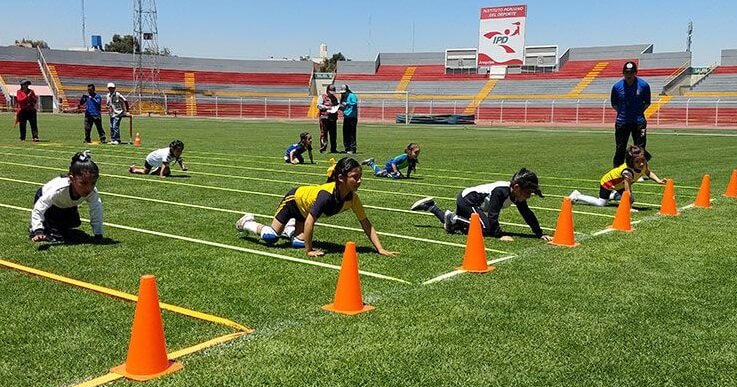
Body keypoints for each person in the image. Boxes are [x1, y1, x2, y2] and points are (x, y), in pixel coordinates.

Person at [235, 157, 398, 257]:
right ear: (341, 178)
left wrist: (380, 249)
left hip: (304, 210)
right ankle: (246, 222)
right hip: (294, 201)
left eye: (360, 177)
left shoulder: (353, 199)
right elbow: (310, 222)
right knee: (271, 237)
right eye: (355, 177)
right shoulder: (325, 195)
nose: (360, 181)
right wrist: (310, 250)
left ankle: (290, 228)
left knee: (297, 243)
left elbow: (366, 224)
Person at [410, 168, 552, 242]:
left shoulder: (515, 195)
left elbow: (527, 213)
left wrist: (539, 233)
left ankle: (432, 207)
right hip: (467, 200)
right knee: (485, 228)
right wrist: (499, 235)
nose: (528, 196)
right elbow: (493, 214)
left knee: (459, 228)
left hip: (474, 205)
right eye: (527, 192)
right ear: (516, 187)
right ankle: (452, 217)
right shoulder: (500, 192)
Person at [29, 151, 104, 243]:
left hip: (67, 204)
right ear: (72, 179)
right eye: (83, 183)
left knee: (73, 224)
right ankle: (38, 227)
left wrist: (98, 234)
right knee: (56, 237)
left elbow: (96, 210)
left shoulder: (92, 192)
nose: (88, 188)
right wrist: (38, 230)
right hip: (48, 201)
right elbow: (39, 207)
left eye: (93, 183)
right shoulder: (59, 190)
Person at [569, 145, 665, 209]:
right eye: (637, 162)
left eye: (643, 160)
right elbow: (628, 190)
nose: (641, 163)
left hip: (619, 185)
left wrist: (658, 180)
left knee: (631, 199)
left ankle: (613, 195)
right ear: (631, 162)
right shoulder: (627, 172)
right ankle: (577, 196)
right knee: (602, 203)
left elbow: (648, 173)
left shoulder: (643, 164)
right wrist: (628, 208)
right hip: (608, 183)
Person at [611, 61, 651, 167]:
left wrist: (637, 113)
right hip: (622, 122)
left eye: (631, 72)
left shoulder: (644, 85)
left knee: (640, 148)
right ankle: (618, 171)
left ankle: (638, 172)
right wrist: (624, 113)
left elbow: (647, 103)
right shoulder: (616, 87)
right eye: (627, 72)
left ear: (635, 73)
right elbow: (614, 104)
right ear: (623, 73)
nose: (629, 75)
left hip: (639, 122)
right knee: (620, 147)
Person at [317, 84, 339, 154]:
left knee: (333, 134)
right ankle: (323, 149)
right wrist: (326, 108)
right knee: (324, 134)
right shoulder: (322, 97)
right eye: (330, 92)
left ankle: (333, 149)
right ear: (327, 90)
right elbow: (318, 105)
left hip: (333, 118)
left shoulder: (335, 98)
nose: (332, 94)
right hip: (324, 119)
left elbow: (337, 105)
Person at [339, 84, 358, 154]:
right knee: (345, 133)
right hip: (346, 117)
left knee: (352, 134)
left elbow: (354, 103)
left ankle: (352, 148)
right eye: (342, 93)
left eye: (344, 93)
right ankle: (347, 148)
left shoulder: (352, 95)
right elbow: (343, 107)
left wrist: (347, 103)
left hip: (352, 118)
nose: (343, 94)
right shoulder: (343, 97)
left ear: (347, 91)